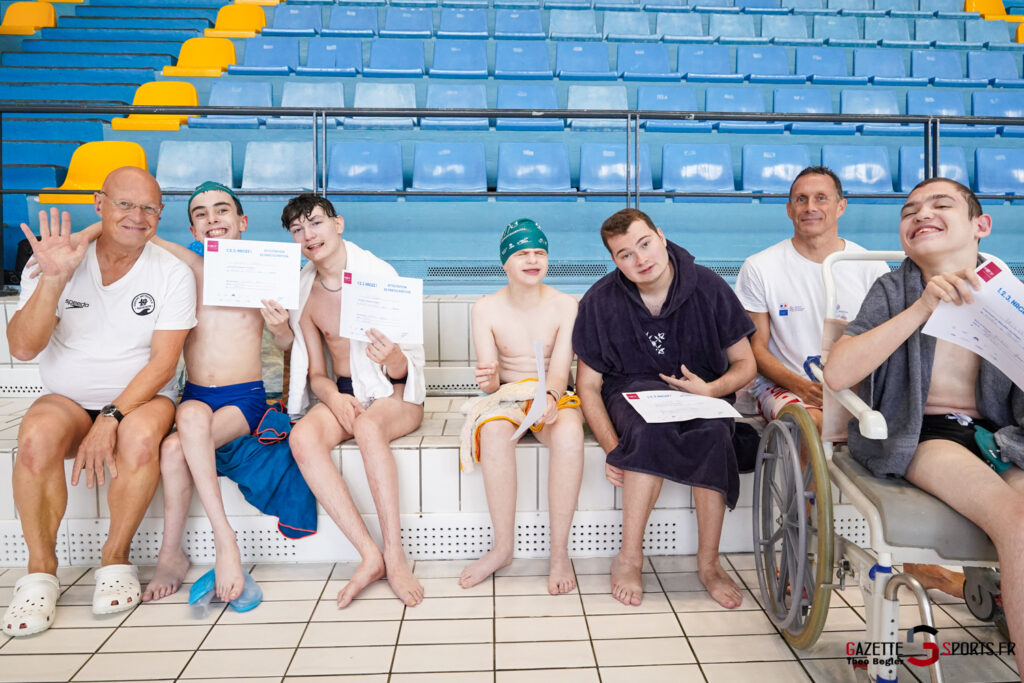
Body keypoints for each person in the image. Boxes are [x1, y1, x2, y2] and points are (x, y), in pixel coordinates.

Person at [824, 177, 1024, 674]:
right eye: (909, 210)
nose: (921, 214)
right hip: (926, 434)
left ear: (981, 226)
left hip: (1003, 435)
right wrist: (923, 308)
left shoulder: (1007, 293)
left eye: (940, 205)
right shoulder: (892, 290)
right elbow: (838, 373)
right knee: (1015, 521)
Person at [3, 167, 196, 636]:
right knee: (35, 439)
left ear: (160, 215)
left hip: (144, 399)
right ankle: (40, 572)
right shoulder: (55, 261)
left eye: (149, 208)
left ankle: (115, 558)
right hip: (68, 399)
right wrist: (53, 280)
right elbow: (22, 348)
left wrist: (110, 416)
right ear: (99, 204)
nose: (137, 216)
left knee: (140, 437)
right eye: (125, 204)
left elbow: (163, 364)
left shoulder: (171, 272)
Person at [572, 208, 756, 608]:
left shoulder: (708, 287)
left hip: (700, 391)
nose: (640, 259)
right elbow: (587, 386)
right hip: (632, 392)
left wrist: (711, 390)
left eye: (645, 244)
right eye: (625, 254)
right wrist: (613, 450)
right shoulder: (600, 301)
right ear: (614, 261)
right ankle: (629, 557)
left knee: (714, 434)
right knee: (647, 432)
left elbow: (746, 364)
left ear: (661, 235)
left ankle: (709, 563)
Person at [140, 181, 295, 604]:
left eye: (222, 210)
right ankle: (191, 548)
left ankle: (209, 546)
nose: (213, 219)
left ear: (242, 221)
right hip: (195, 395)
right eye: (201, 213)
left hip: (244, 399)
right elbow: (137, 230)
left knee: (178, 444)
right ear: (193, 229)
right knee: (180, 435)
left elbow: (287, 345)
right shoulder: (188, 267)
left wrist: (281, 327)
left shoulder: (267, 271)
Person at [283, 194, 426, 607]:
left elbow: (408, 370)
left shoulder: (380, 277)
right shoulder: (304, 291)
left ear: (338, 224)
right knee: (302, 439)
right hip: (345, 390)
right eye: (297, 229)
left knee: (366, 426)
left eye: (315, 223)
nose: (309, 235)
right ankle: (369, 555)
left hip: (393, 391)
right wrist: (332, 396)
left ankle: (395, 555)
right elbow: (316, 374)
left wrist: (393, 358)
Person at [458, 219, 584, 594]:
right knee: (493, 432)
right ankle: (502, 548)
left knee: (570, 434)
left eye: (539, 252)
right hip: (508, 394)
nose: (532, 260)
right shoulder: (485, 308)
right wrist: (488, 380)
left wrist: (551, 398)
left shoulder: (565, 305)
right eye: (522, 253)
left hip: (552, 392)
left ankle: (559, 554)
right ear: (505, 262)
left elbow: (560, 369)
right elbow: (491, 384)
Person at [735, 166, 888, 433]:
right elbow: (756, 349)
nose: (810, 207)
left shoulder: (870, 266)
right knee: (809, 425)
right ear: (789, 209)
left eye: (821, 198)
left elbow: (884, 342)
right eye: (801, 199)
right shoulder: (759, 267)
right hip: (786, 387)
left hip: (855, 387)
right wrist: (801, 386)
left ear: (841, 207)